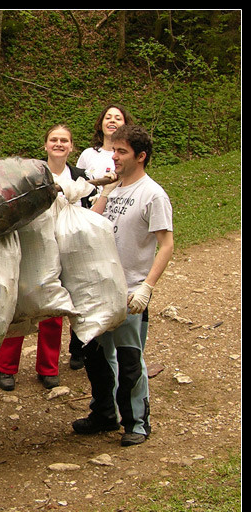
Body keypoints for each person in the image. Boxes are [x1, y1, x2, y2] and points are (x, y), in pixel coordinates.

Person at [72, 125, 173, 447]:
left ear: (141, 157)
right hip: (99, 287)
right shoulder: (114, 189)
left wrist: (147, 287)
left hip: (130, 292)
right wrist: (104, 191)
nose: (113, 157)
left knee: (130, 361)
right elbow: (92, 223)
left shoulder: (152, 194)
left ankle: (137, 424)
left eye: (121, 152)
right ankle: (105, 415)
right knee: (97, 358)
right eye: (113, 150)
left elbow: (167, 244)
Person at [0, 124, 96, 391]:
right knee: (20, 302)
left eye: (64, 140)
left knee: (55, 307)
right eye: (54, 139)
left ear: (72, 147)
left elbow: (89, 210)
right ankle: (5, 367)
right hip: (35, 246)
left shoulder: (82, 177)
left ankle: (48, 367)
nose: (59, 144)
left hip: (67, 246)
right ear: (46, 145)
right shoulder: (32, 173)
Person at [76, 103, 132, 184]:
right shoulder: (88, 154)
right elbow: (77, 184)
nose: (112, 121)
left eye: (118, 119)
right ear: (101, 124)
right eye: (108, 118)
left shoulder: (129, 155)